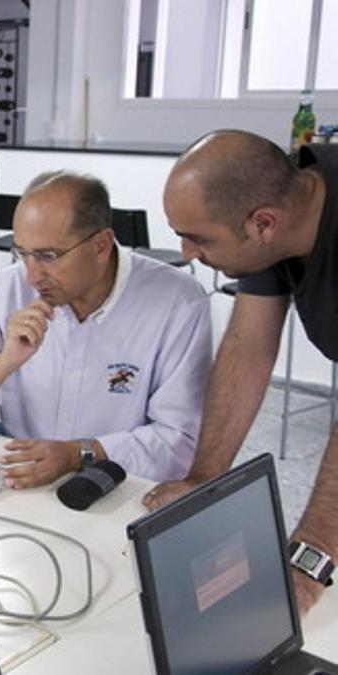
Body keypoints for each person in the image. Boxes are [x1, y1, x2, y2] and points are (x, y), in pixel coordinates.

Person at [149, 129, 338, 615]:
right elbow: (247, 347)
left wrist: (309, 561)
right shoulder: (277, 214)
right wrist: (202, 480)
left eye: (197, 238)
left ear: (262, 224)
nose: (189, 253)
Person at [0, 171, 212, 488]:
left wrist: (78, 454)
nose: (31, 276)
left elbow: (178, 442)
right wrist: (5, 361)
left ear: (101, 245)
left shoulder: (178, 302)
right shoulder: (7, 289)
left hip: (119, 489)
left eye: (48, 256)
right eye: (22, 253)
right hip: (21, 480)